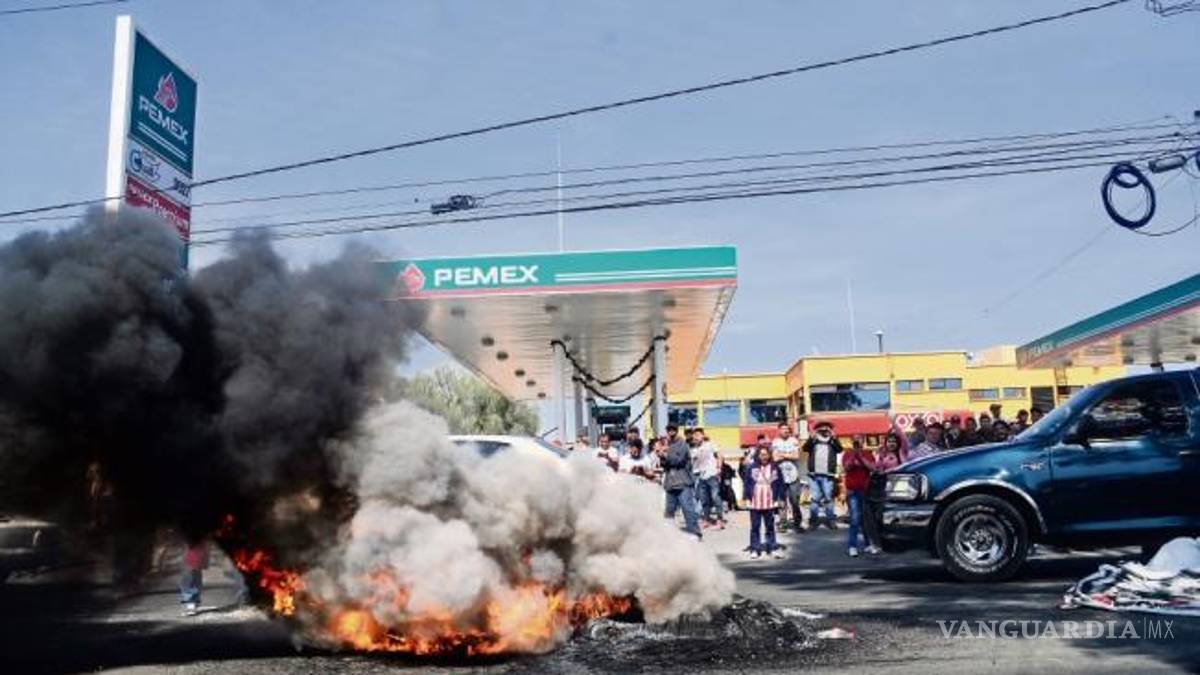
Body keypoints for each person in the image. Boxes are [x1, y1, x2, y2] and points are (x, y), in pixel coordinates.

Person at [743, 437, 784, 559]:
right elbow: (747, 483)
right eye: (761, 454)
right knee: (755, 527)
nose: (763, 457)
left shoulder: (775, 467)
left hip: (769, 502)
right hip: (755, 502)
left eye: (766, 454)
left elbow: (780, 484)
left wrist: (781, 498)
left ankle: (772, 547)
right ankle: (755, 549)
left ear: (769, 455)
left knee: (770, 527)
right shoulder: (752, 467)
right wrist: (746, 498)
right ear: (758, 455)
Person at [659, 424, 701, 539]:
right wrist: (661, 456)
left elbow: (679, 460)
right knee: (669, 511)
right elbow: (664, 464)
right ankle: (669, 535)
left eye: (673, 430)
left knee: (687, 508)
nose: (671, 432)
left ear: (677, 431)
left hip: (683, 482)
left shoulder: (682, 444)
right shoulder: (667, 444)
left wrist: (665, 454)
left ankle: (695, 532)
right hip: (670, 483)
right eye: (669, 430)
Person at [841, 435, 879, 557]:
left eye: (860, 439)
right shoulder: (847, 454)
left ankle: (868, 544)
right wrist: (854, 455)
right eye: (856, 439)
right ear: (852, 441)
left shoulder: (868, 454)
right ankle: (852, 546)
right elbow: (846, 467)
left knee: (866, 519)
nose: (858, 441)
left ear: (863, 441)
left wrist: (861, 457)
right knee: (855, 518)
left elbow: (872, 468)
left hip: (866, 490)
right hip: (852, 490)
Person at [802, 420, 842, 530]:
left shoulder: (832, 441)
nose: (824, 430)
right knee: (815, 498)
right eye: (822, 428)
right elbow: (805, 448)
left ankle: (831, 521)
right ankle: (813, 522)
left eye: (827, 428)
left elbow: (840, 449)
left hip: (828, 475)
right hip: (814, 475)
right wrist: (811, 437)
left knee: (828, 498)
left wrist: (835, 437)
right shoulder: (814, 440)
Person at [770, 421, 805, 532]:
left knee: (795, 501)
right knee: (781, 502)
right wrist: (789, 455)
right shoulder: (775, 442)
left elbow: (796, 456)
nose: (785, 431)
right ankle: (783, 523)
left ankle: (797, 524)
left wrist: (782, 455)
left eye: (787, 429)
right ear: (779, 430)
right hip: (780, 477)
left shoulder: (794, 441)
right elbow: (775, 458)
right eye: (783, 429)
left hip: (793, 476)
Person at [690, 428, 724, 528]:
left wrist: (719, 468)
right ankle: (706, 520)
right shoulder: (694, 450)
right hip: (701, 477)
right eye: (694, 435)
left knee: (715, 497)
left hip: (712, 474)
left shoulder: (710, 445)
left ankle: (720, 520)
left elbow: (719, 455)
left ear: (703, 435)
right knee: (704, 500)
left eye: (698, 435)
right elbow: (693, 464)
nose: (696, 437)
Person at [180, 539, 209, 616]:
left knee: (189, 583)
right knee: (195, 582)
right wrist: (206, 562)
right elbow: (206, 549)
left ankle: (191, 605)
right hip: (196, 562)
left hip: (190, 562)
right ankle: (194, 602)